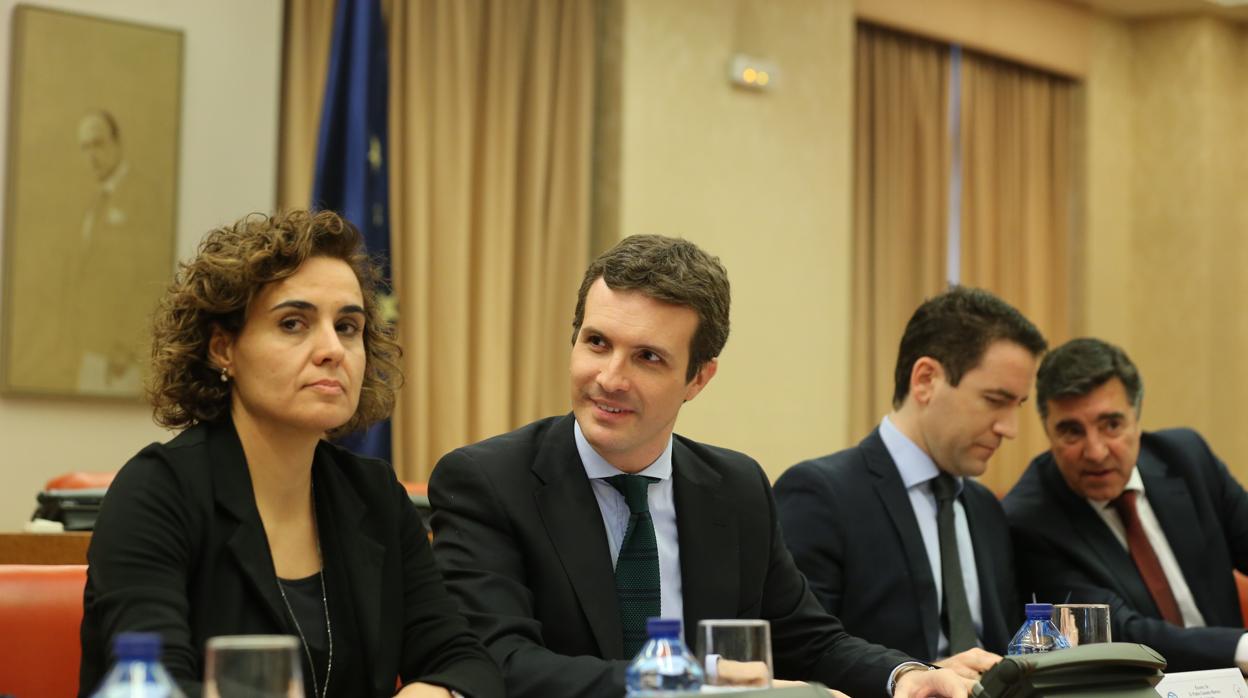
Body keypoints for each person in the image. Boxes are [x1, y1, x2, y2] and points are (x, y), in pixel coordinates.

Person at [428, 234, 973, 698]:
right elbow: (498, 660)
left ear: (698, 379)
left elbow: (806, 640)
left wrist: (903, 676)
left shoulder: (735, 488)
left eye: (648, 357)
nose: (610, 378)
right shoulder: (488, 482)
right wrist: (685, 687)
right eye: (597, 343)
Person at [79, 210, 502, 698]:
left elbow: (466, 662)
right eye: (294, 323)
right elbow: (154, 686)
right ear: (223, 349)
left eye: (348, 327)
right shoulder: (157, 492)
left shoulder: (374, 495)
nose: (332, 350)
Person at [775, 287, 1046, 677]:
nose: (1010, 428)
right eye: (994, 400)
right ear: (925, 380)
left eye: (1016, 405)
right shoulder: (821, 494)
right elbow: (799, 656)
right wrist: (921, 676)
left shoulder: (985, 508)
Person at [1003, 337, 1248, 672]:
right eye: (1071, 431)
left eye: (1112, 425)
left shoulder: (1187, 459)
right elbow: (1116, 632)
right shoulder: (1030, 519)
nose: (1096, 452)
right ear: (1048, 430)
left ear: (1137, 416)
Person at [70, 109, 171, 394]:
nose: (92, 155)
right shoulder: (94, 201)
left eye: (98, 144)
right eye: (85, 147)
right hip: (90, 349)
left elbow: (151, 274)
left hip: (120, 358)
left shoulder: (143, 196)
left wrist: (127, 345)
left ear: (117, 143)